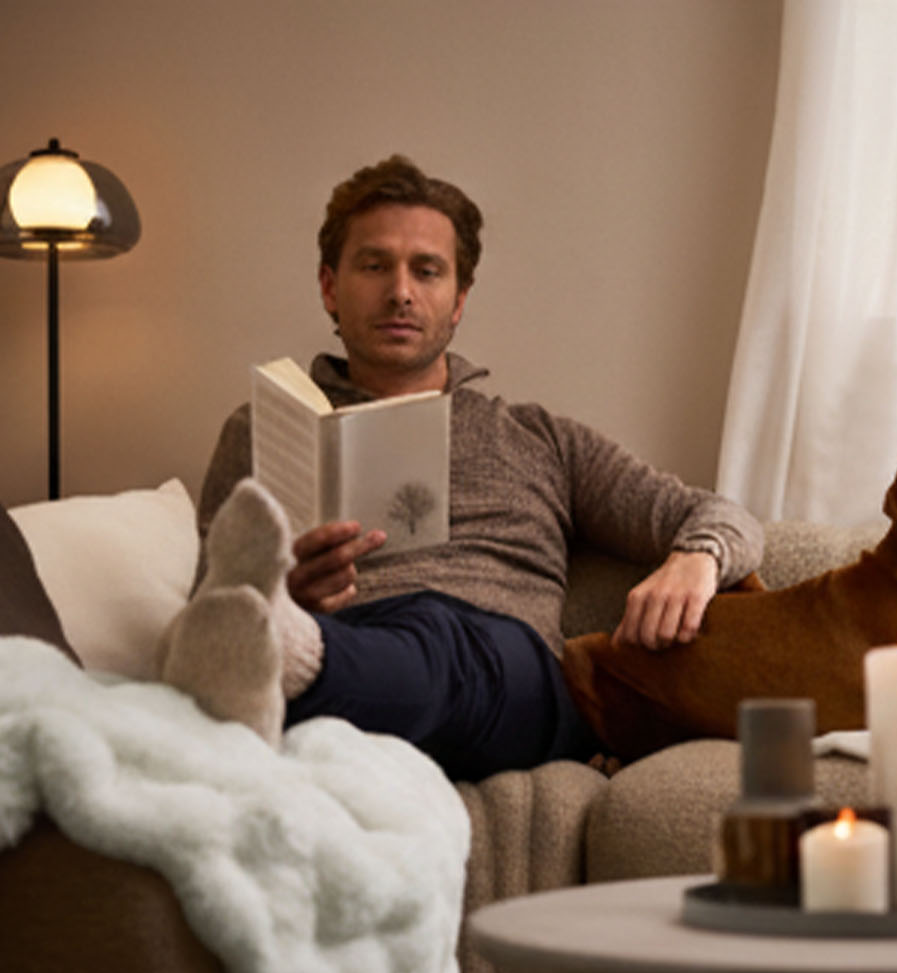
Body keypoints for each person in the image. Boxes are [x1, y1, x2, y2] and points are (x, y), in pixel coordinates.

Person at [164, 155, 762, 782]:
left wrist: (697, 557)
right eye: (374, 266)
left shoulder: (538, 438)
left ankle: (292, 661)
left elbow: (725, 515)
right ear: (329, 286)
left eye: (427, 271)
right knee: (377, 635)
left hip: (512, 678)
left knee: (442, 630)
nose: (400, 291)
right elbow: (213, 611)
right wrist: (288, 594)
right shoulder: (262, 428)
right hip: (354, 646)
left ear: (458, 300)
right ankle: (298, 652)